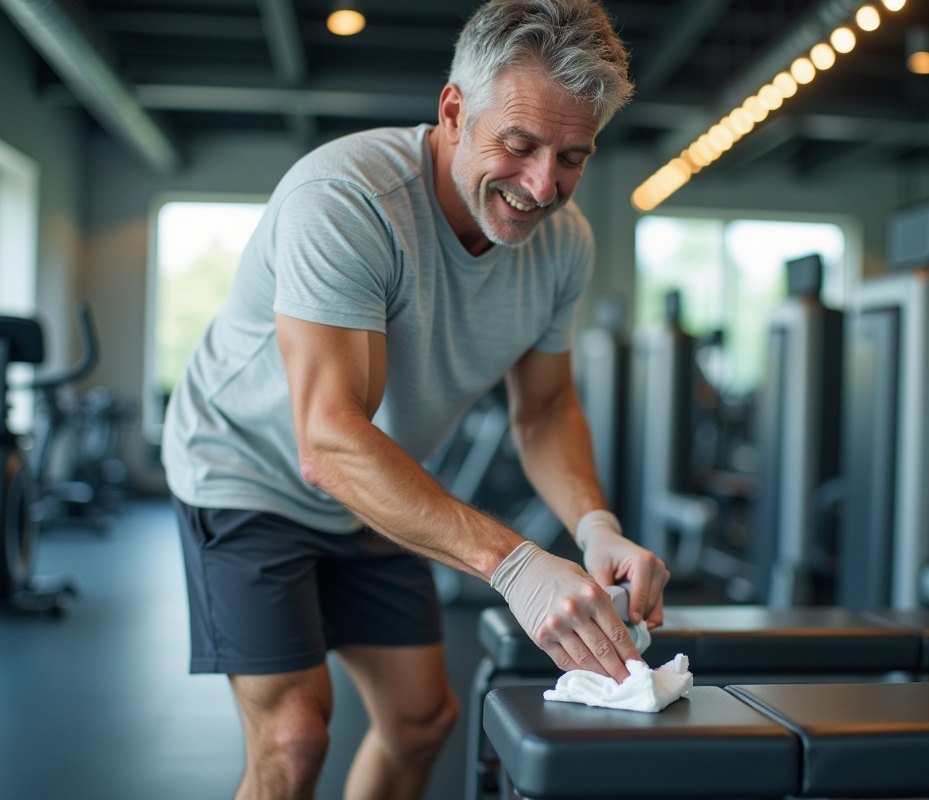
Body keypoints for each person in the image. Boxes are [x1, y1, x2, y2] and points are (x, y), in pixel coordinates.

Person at [161, 1, 670, 798]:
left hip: (377, 484)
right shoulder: (345, 200)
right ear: (454, 110)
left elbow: (543, 410)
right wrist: (517, 566)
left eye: (573, 155)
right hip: (247, 473)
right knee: (293, 740)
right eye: (520, 145)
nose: (543, 186)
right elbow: (328, 440)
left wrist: (593, 525)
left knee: (420, 722)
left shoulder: (564, 245)